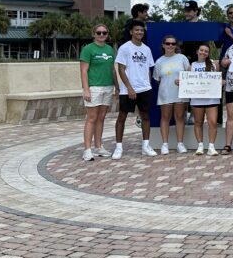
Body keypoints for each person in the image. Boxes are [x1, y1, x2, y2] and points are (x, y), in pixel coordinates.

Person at [112, 20, 156, 158]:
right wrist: (130, 88)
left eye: (141, 30)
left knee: (146, 117)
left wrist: (148, 84)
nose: (139, 32)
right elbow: (121, 69)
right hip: (128, 90)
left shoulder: (146, 49)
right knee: (122, 118)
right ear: (131, 32)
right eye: (137, 30)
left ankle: (146, 146)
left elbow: (148, 68)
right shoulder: (125, 48)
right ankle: (118, 148)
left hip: (145, 89)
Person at [79, 23, 116, 161]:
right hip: (94, 87)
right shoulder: (88, 49)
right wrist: (86, 89)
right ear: (94, 34)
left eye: (104, 33)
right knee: (92, 118)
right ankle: (87, 150)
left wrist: (117, 87)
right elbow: (83, 70)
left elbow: (112, 70)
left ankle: (98, 146)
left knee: (101, 117)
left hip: (108, 87)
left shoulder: (110, 49)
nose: (101, 35)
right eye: (99, 32)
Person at [154, 34, 190, 154]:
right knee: (165, 118)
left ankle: (180, 143)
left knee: (179, 118)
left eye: (173, 43)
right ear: (163, 45)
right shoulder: (159, 61)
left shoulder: (182, 58)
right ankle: (165, 144)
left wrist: (183, 81)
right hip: (165, 93)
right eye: (168, 43)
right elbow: (157, 79)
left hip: (180, 93)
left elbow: (190, 75)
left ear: (176, 45)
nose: (170, 46)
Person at [189, 43, 220, 155]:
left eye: (206, 51)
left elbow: (218, 78)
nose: (203, 52)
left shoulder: (214, 64)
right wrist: (180, 82)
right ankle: (200, 146)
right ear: (197, 51)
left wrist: (221, 82)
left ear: (208, 53)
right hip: (197, 98)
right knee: (198, 122)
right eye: (201, 50)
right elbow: (187, 81)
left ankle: (211, 147)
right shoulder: (191, 66)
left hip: (212, 98)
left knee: (212, 122)